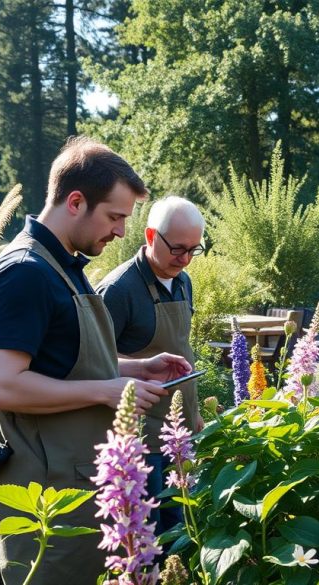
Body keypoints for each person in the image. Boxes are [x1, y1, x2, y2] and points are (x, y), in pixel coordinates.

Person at [0, 137, 191, 585]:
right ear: (75, 201)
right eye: (114, 217)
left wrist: (134, 368)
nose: (119, 232)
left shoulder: (64, 265)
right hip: (47, 492)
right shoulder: (24, 271)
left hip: (78, 478)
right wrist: (105, 390)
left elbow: (62, 360)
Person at [96, 195, 206, 534]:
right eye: (177, 249)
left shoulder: (184, 281)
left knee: (185, 531)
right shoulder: (118, 289)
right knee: (149, 537)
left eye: (194, 250)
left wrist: (195, 411)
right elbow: (90, 364)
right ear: (150, 236)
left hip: (180, 431)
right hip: (140, 442)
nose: (185, 260)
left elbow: (182, 348)